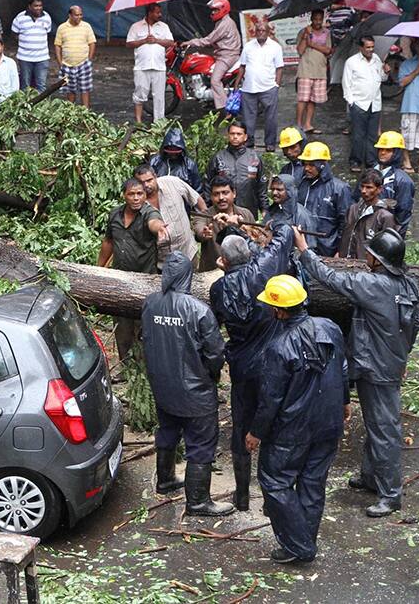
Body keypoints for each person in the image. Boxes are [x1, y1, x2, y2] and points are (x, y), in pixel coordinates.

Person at [296, 227, 419, 517]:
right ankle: (370, 477)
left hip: (376, 368)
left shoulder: (373, 284)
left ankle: (390, 495)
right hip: (388, 364)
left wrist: (304, 250)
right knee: (376, 423)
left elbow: (331, 278)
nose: (366, 255)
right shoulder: (409, 284)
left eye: (371, 252)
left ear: (379, 260)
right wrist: (402, 358)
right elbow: (413, 326)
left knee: (384, 430)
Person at [248, 274, 348, 564]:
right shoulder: (330, 327)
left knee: (275, 481)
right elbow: (342, 367)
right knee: (313, 482)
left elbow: (270, 400)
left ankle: (299, 545)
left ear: (279, 310)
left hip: (292, 430)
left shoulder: (278, 347)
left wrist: (256, 432)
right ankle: (304, 538)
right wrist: (344, 402)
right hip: (328, 423)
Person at [142, 252, 234, 516]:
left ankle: (166, 479)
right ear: (187, 276)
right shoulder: (199, 310)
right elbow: (215, 352)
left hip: (163, 387)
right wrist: (211, 375)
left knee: (168, 431)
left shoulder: (150, 304)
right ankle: (198, 501)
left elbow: (146, 340)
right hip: (196, 392)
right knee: (201, 444)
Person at [210, 223, 294, 511]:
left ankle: (243, 495)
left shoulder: (218, 288)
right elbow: (283, 241)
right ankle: (273, 497)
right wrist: (279, 226)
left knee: (241, 428)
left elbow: (218, 320)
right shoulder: (263, 269)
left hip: (243, 366)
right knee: (276, 423)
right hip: (274, 362)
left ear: (223, 261)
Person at [98, 179, 168, 361]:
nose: (136, 198)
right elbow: (108, 242)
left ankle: (145, 366)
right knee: (121, 324)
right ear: (124, 195)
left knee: (143, 324)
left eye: (140, 194)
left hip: (144, 280)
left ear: (145, 195)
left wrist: (159, 228)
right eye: (132, 194)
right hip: (119, 279)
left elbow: (154, 222)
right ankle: (126, 365)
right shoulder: (115, 215)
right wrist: (99, 269)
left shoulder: (149, 213)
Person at [134, 164, 207, 267]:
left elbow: (196, 199)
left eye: (149, 180)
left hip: (187, 252)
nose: (146, 185)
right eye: (141, 182)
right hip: (160, 261)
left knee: (194, 281)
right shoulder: (136, 201)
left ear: (155, 176)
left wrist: (204, 223)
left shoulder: (173, 183)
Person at [180, 0, 241, 112]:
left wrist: (191, 42)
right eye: (212, 10)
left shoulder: (225, 23)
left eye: (216, 10)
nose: (213, 12)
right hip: (223, 54)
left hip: (227, 56)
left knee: (215, 80)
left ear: (223, 9)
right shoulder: (222, 21)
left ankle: (224, 109)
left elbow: (209, 39)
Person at [234, 18, 284, 152]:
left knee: (270, 118)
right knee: (248, 118)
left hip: (268, 88)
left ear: (268, 32)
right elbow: (243, 66)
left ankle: (270, 143)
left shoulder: (275, 47)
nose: (260, 32)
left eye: (263, 30)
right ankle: (249, 142)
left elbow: (279, 68)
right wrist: (237, 83)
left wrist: (276, 86)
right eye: (258, 30)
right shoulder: (248, 46)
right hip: (248, 88)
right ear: (254, 32)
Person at [342, 36, 389, 172]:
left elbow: (382, 79)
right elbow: (346, 84)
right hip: (359, 103)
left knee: (372, 135)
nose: (370, 50)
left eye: (372, 47)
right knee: (358, 135)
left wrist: (386, 72)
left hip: (375, 103)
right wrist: (351, 102)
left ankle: (371, 161)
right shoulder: (352, 62)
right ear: (361, 48)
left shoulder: (376, 60)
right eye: (368, 47)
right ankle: (355, 161)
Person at [297, 141, 351, 256]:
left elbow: (345, 224)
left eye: (311, 165)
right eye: (305, 164)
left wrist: (340, 250)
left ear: (322, 164)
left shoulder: (339, 189)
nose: (307, 168)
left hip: (327, 249)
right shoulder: (301, 184)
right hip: (302, 246)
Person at [193, 176, 256, 271]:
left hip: (242, 270)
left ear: (234, 193)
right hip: (212, 271)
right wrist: (203, 234)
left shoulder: (246, 214)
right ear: (211, 196)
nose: (221, 198)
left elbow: (255, 240)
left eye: (225, 193)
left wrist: (239, 228)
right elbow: (199, 230)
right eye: (216, 194)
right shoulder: (204, 215)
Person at [207, 121, 268, 217]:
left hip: (248, 210)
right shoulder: (218, 158)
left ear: (245, 137)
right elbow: (208, 184)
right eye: (232, 134)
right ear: (228, 135)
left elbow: (261, 185)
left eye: (239, 134)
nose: (235, 136)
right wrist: (208, 208)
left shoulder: (254, 158)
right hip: (222, 212)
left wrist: (264, 209)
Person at [126, 3, 174, 123]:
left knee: (159, 96)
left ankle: (159, 122)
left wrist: (156, 40)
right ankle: (138, 121)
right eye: (157, 12)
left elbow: (170, 42)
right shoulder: (136, 26)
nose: (160, 15)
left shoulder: (164, 27)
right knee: (140, 93)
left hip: (159, 66)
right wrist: (144, 40)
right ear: (149, 13)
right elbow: (129, 43)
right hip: (142, 66)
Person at [366, 131, 414, 235]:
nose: (383, 153)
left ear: (396, 153)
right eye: (381, 149)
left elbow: (403, 214)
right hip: (365, 228)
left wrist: (394, 239)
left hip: (386, 232)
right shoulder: (369, 172)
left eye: (388, 150)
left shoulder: (403, 181)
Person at [341, 170, 397, 259]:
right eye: (362, 186)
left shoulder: (385, 217)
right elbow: (345, 234)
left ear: (379, 189)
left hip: (368, 265)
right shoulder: (353, 209)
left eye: (369, 187)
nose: (363, 191)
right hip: (346, 261)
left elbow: (388, 249)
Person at [295, 10, 332, 133]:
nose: (317, 22)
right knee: (303, 99)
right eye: (315, 19)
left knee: (313, 100)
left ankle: (308, 124)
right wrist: (306, 37)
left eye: (319, 19)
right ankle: (299, 125)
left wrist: (312, 44)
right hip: (305, 70)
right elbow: (300, 51)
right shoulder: (303, 32)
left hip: (320, 70)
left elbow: (328, 50)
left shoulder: (326, 33)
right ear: (311, 18)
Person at [397, 38, 419, 175]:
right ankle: (407, 162)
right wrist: (418, 70)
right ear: (414, 46)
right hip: (410, 104)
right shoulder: (407, 63)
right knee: (406, 135)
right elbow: (402, 83)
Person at [54, 5, 97, 108]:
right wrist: (60, 63)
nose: (79, 17)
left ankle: (85, 112)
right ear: (70, 15)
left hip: (83, 63)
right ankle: (71, 112)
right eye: (76, 15)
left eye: (80, 15)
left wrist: (89, 59)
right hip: (67, 64)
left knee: (85, 89)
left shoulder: (86, 26)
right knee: (70, 90)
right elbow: (57, 45)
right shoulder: (62, 28)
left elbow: (92, 43)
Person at [11, 0, 52, 92]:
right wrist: (26, 43)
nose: (39, 8)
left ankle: (40, 107)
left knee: (41, 85)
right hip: (25, 58)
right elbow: (14, 33)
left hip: (42, 58)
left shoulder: (46, 17)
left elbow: (48, 33)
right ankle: (25, 106)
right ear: (29, 6)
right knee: (25, 85)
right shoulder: (20, 18)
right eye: (36, 6)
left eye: (40, 6)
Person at [150, 127, 203, 197]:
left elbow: (197, 189)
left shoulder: (189, 165)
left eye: (176, 152)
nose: (173, 155)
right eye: (170, 152)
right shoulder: (155, 162)